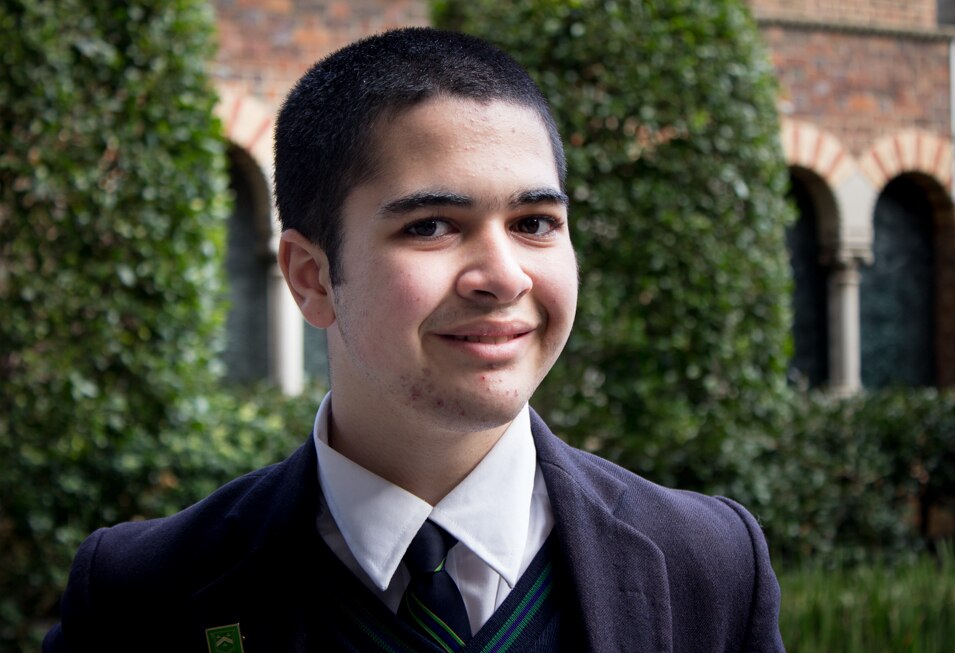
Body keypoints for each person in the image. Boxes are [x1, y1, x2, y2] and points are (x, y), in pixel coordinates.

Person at [43, 27, 784, 652]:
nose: (503, 275)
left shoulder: (710, 565)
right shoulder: (139, 595)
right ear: (310, 276)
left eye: (534, 223)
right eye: (430, 226)